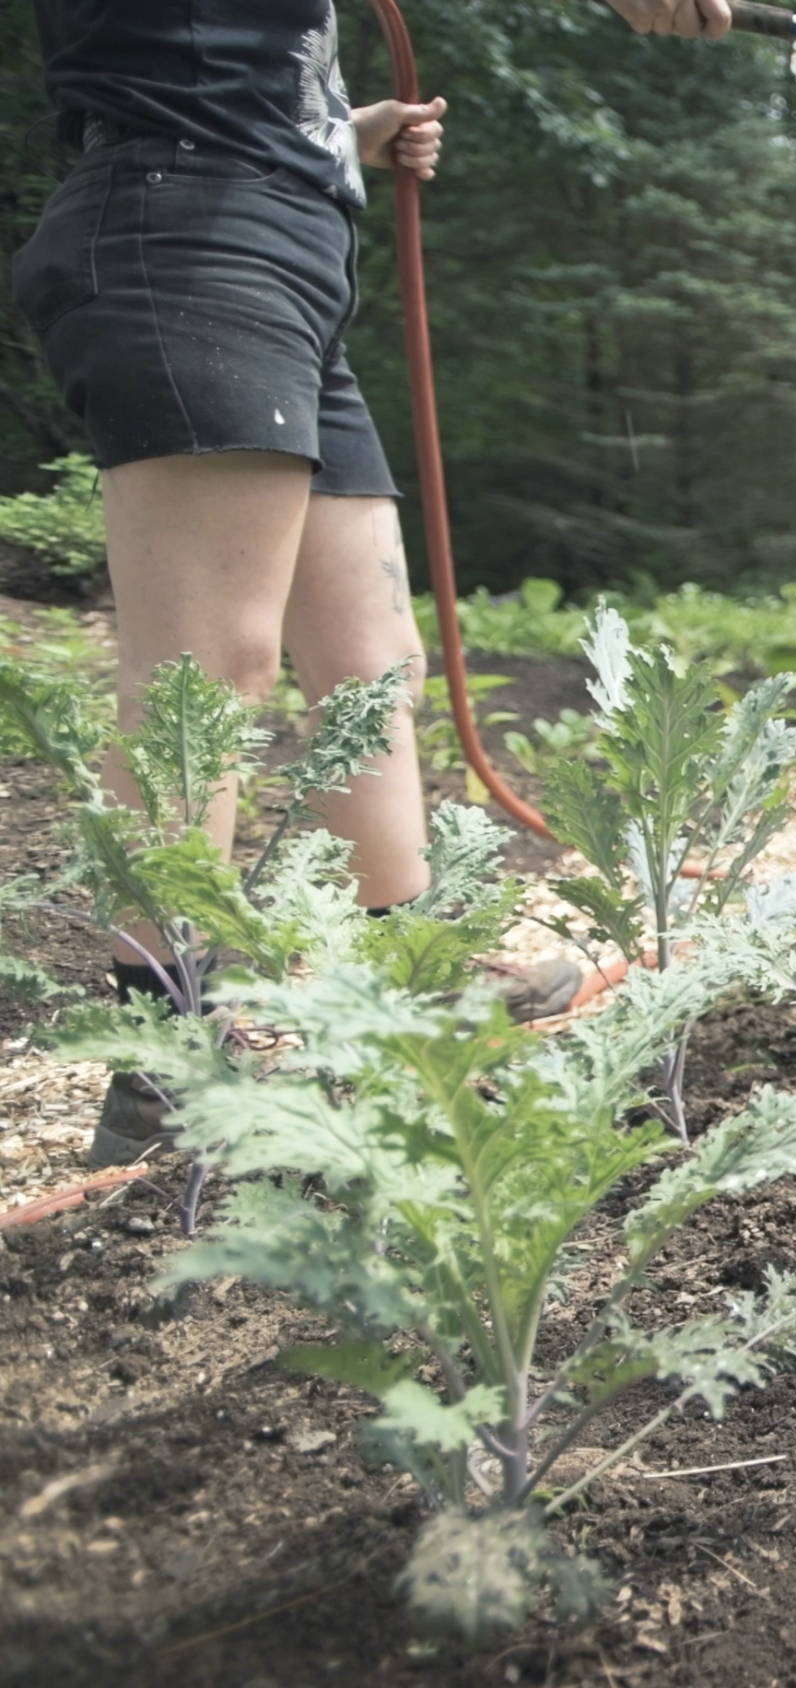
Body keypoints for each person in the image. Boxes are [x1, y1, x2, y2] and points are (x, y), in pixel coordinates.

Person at [13, 0, 737, 1166]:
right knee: (206, 673)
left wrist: (328, 132)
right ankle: (163, 1062)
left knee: (368, 663)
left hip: (274, 238)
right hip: (185, 238)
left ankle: (415, 973)